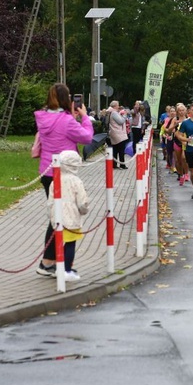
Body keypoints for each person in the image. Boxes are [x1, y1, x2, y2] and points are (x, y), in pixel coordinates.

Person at [34, 83, 93, 277]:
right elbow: (86, 138)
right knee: (60, 218)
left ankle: (51, 262)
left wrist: (72, 119)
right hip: (64, 174)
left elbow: (56, 130)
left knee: (55, 215)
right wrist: (84, 118)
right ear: (65, 99)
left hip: (47, 171)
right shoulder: (67, 121)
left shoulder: (43, 117)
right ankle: (49, 263)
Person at [47, 150, 89, 282]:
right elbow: (82, 202)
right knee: (70, 244)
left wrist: (52, 215)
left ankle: (60, 267)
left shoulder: (55, 181)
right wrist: (84, 210)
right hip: (71, 218)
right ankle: (66, 270)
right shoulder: (76, 181)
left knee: (60, 242)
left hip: (58, 216)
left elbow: (50, 201)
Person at [107, 101, 129, 169]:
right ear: (115, 106)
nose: (118, 106)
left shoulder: (111, 112)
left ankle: (114, 164)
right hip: (118, 133)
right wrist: (124, 115)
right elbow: (121, 121)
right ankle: (122, 164)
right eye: (117, 105)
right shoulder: (114, 113)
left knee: (115, 149)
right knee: (121, 149)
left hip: (114, 133)